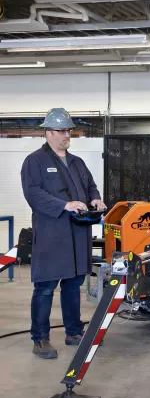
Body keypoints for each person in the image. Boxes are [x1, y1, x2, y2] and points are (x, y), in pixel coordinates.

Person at [21, 108, 106, 359]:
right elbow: (33, 194)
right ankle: (41, 338)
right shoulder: (34, 161)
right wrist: (63, 205)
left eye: (68, 130)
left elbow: (90, 186)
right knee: (45, 287)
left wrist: (95, 199)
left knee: (73, 285)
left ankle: (74, 332)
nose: (66, 135)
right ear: (47, 133)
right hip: (51, 234)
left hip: (78, 235)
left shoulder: (77, 162)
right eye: (60, 131)